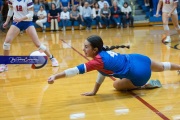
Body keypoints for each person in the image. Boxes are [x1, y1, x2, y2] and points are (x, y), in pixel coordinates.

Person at [47, 35, 180, 96]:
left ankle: (144, 85)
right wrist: (94, 91)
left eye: (86, 47)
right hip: (139, 58)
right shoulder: (102, 53)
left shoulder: (97, 61)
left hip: (140, 75)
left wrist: (55, 76)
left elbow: (75, 70)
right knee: (162, 66)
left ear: (94, 50)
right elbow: (103, 71)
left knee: (116, 85)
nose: (83, 49)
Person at [0, 0, 59, 72]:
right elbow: (11, 9)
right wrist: (6, 21)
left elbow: (31, 13)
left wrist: (21, 19)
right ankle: (4, 64)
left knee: (38, 44)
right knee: (6, 43)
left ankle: (52, 58)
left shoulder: (28, 0)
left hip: (27, 22)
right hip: (16, 22)